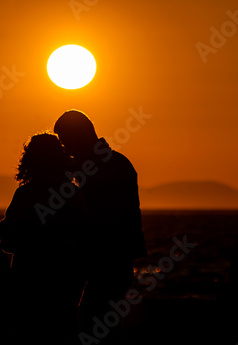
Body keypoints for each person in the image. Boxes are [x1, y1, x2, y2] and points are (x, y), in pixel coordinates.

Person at [54, 110, 147, 342]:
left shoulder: (109, 167)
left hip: (111, 260)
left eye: (66, 141)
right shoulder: (110, 163)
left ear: (82, 135)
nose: (66, 149)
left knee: (94, 322)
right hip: (110, 260)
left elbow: (104, 216)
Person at [0, 132, 87, 344]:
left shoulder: (25, 195)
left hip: (30, 284)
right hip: (63, 285)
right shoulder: (72, 195)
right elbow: (84, 241)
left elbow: (8, 241)